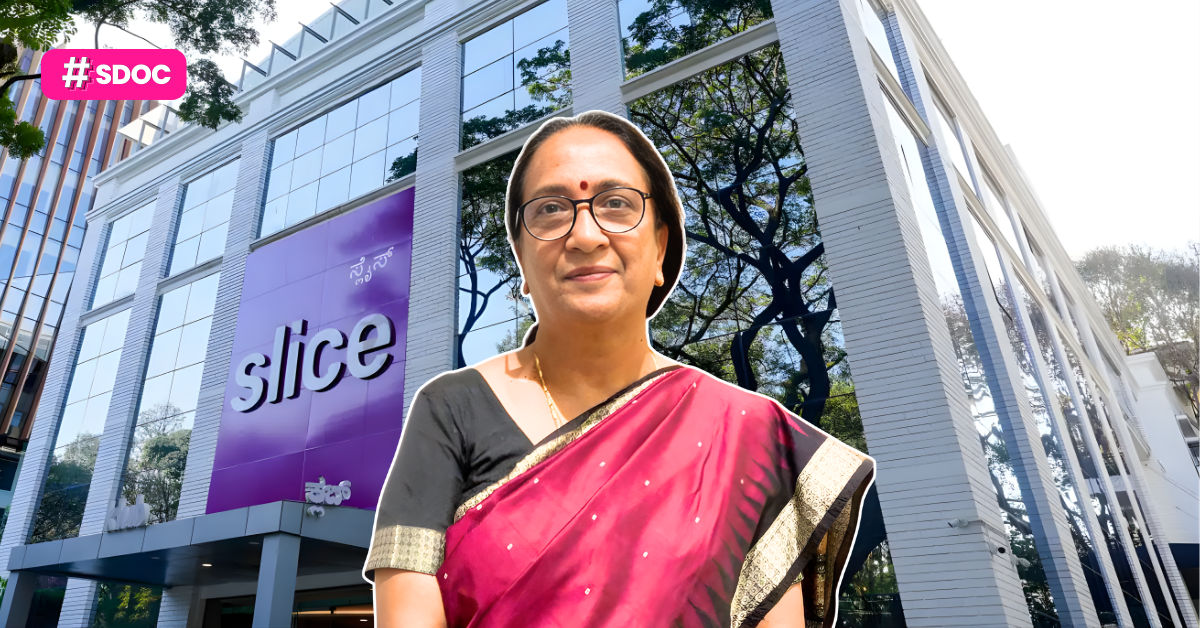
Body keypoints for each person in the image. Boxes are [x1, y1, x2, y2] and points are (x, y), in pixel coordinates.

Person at [363, 110, 875, 628]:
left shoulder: (750, 436)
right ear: (520, 257)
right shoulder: (450, 410)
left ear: (661, 248)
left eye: (616, 204)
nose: (585, 236)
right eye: (550, 210)